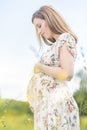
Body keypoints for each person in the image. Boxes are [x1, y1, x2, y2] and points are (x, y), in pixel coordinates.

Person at [27, 5, 80, 130]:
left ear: (49, 18)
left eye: (39, 26)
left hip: (58, 107)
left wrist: (40, 67)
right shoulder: (54, 46)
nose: (39, 32)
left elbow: (67, 73)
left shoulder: (65, 38)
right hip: (46, 107)